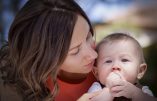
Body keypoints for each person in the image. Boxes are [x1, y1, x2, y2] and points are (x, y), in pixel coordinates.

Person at [0, 0, 98, 101]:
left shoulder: (109, 58)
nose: (94, 54)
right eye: (75, 51)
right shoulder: (15, 87)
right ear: (44, 57)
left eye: (88, 37)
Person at [87, 33, 156, 101]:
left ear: (140, 71)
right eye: (108, 61)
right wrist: (108, 90)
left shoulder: (143, 92)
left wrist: (135, 94)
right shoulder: (97, 89)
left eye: (124, 60)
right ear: (97, 73)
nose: (115, 66)